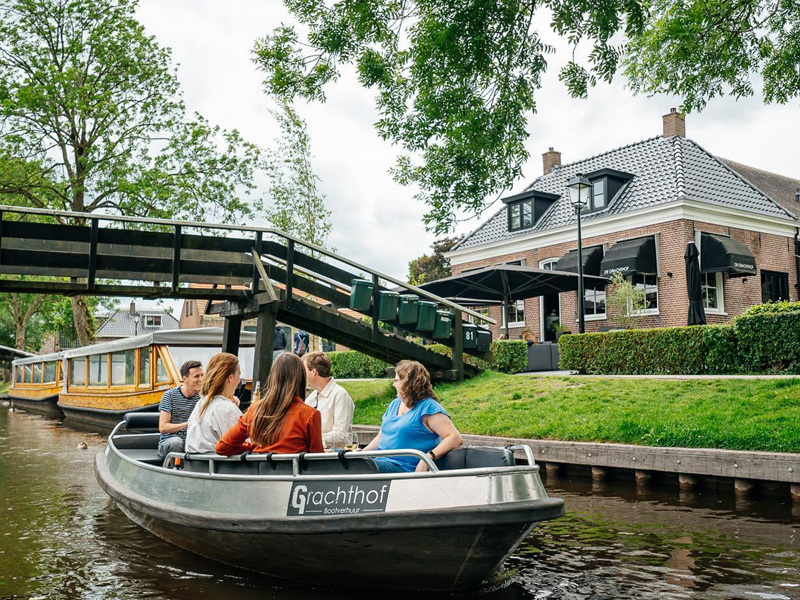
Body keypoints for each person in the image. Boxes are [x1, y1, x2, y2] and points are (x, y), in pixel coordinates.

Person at [360, 360, 462, 473]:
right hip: (379, 461)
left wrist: (428, 458)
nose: (393, 384)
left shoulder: (428, 408)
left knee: (362, 467)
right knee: (341, 457)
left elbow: (455, 437)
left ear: (408, 382)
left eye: (396, 380)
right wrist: (361, 455)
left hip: (402, 467)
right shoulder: (395, 404)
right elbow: (380, 437)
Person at [216, 353, 323, 455]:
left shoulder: (254, 411)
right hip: (293, 471)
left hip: (260, 472)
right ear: (301, 379)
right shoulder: (310, 415)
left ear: (273, 377)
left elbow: (222, 447)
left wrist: (252, 448)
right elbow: (316, 459)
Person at [185, 353, 242, 453]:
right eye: (239, 375)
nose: (239, 380)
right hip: (221, 466)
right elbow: (245, 443)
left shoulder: (201, 403)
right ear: (230, 378)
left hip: (195, 465)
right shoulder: (226, 408)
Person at [303, 351, 354, 449]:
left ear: (313, 371)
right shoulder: (311, 398)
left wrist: (314, 440)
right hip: (313, 453)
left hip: (335, 457)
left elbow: (340, 435)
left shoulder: (340, 395)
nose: (302, 374)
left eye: (304, 370)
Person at [157, 360, 203, 458]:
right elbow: (163, 427)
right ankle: (176, 470)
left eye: (202, 375)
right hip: (170, 442)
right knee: (177, 442)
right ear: (185, 379)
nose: (201, 379)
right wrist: (188, 424)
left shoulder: (202, 397)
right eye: (196, 376)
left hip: (192, 442)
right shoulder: (169, 395)